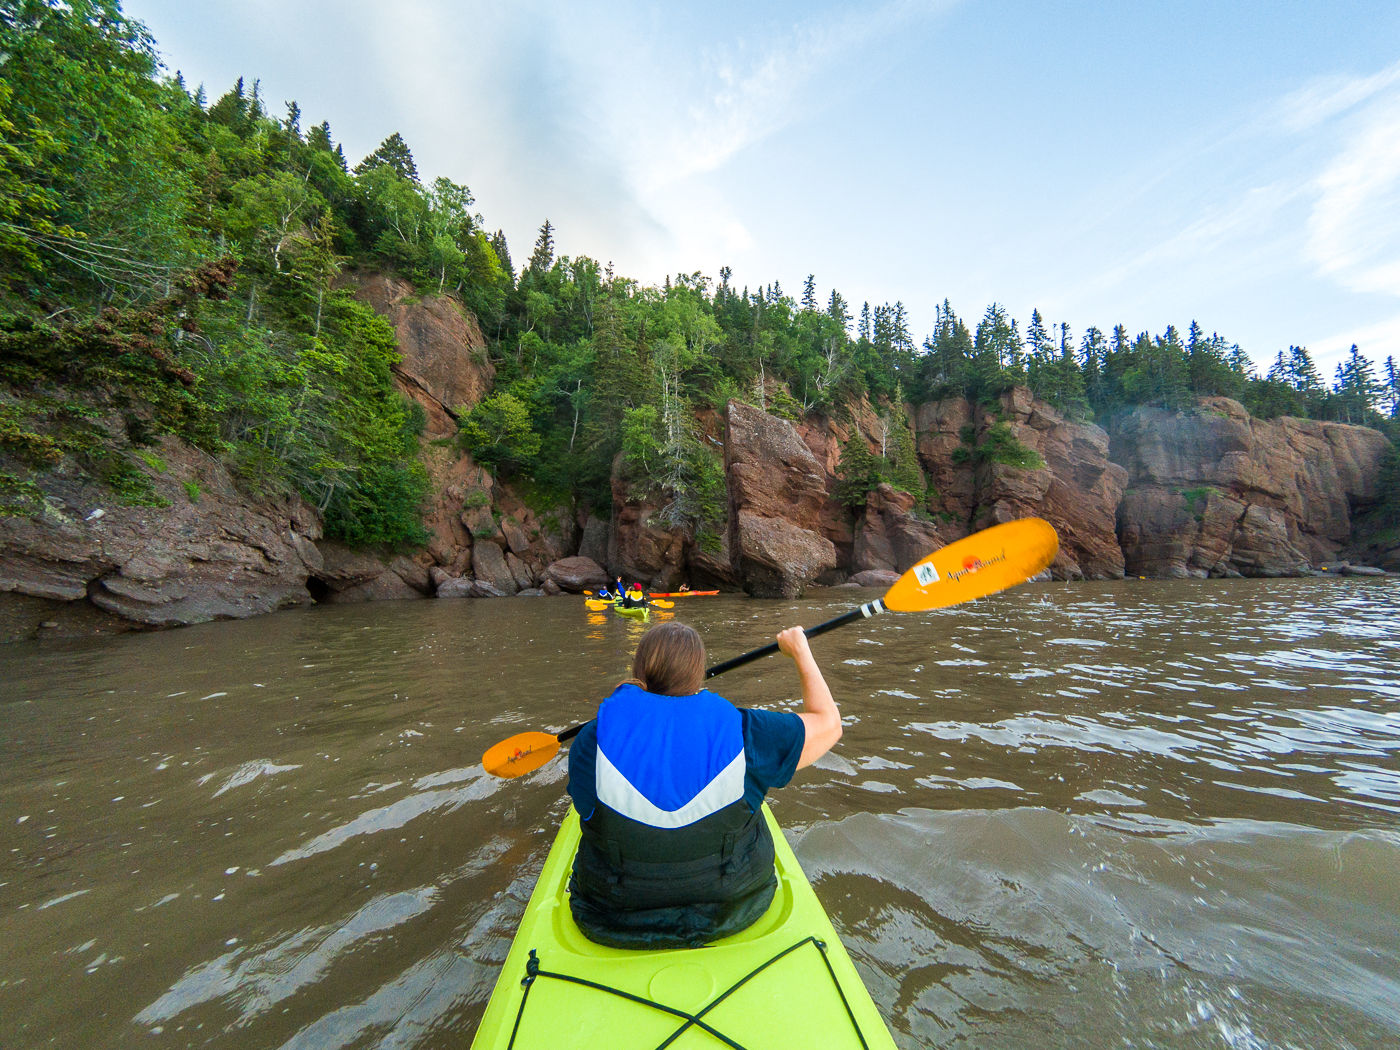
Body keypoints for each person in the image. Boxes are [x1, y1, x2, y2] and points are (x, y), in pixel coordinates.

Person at [566, 621, 842, 949]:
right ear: (698, 676)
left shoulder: (590, 741)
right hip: (734, 905)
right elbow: (830, 723)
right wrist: (800, 651)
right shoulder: (746, 732)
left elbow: (585, 809)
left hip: (613, 913)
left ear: (638, 673)